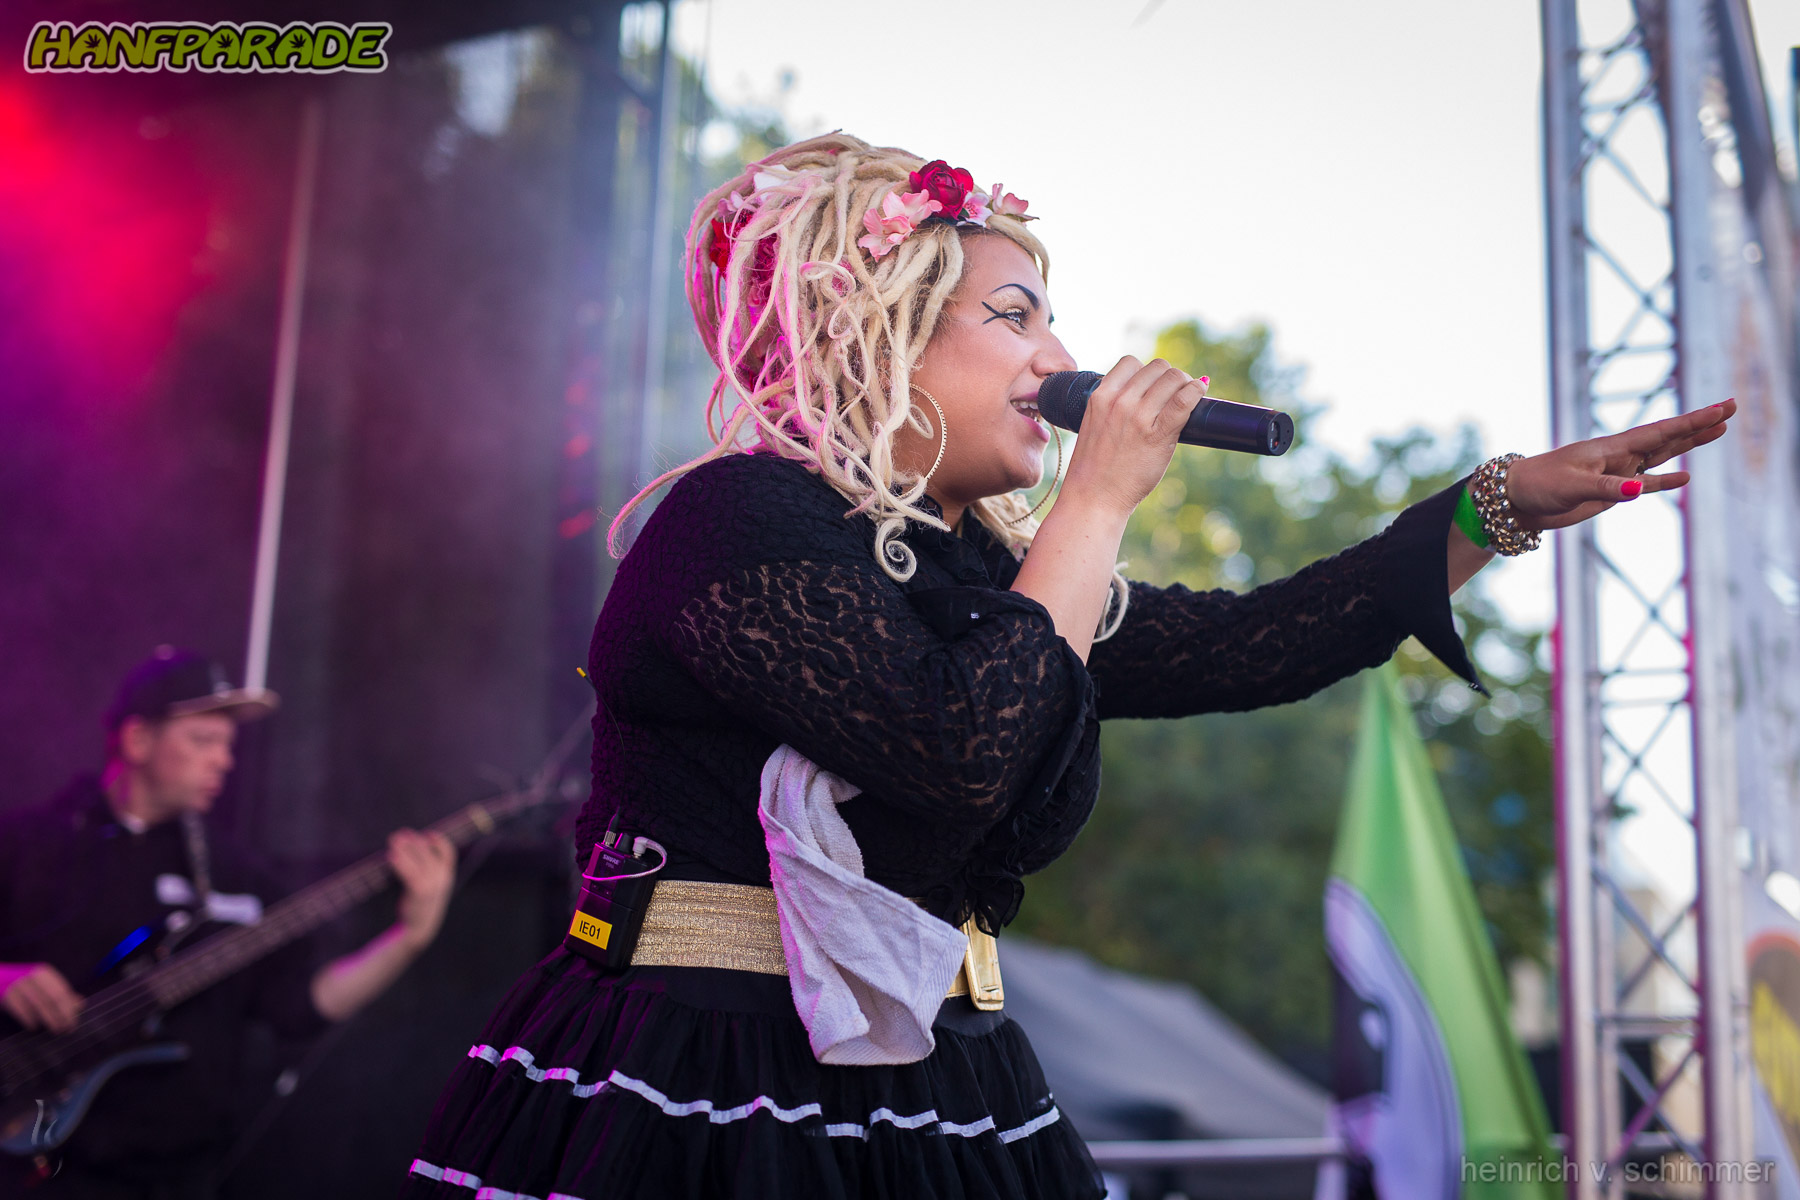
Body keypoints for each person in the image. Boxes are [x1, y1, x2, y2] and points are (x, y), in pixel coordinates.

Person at [400, 133, 1734, 1200]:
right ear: (877, 333)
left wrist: (1487, 508)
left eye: (1057, 323)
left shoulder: (985, 574)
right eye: (1016, 316)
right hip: (708, 1058)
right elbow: (954, 749)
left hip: (946, 1071)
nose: (1060, 360)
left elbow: (1250, 644)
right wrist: (1095, 502)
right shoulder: (736, 519)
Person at [0, 647, 458, 1197]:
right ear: (137, 739)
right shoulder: (30, 843)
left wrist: (410, 938)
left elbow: (304, 1004)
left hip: (180, 1176)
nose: (223, 761)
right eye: (203, 740)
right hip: (37, 1168)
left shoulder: (236, 874)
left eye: (228, 744)